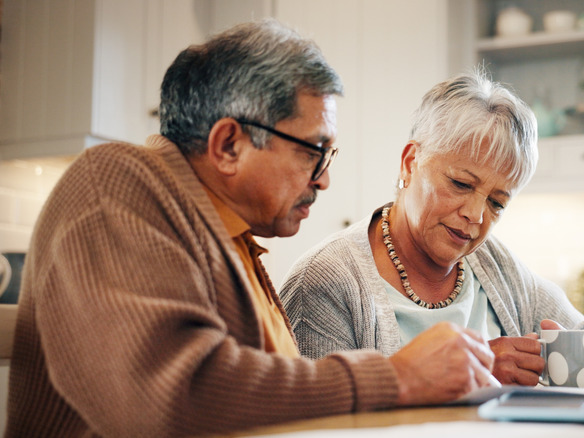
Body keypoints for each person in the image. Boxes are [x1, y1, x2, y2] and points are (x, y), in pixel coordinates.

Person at [4, 19, 498, 437]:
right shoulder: (113, 185)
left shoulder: (236, 240)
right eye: (313, 151)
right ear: (228, 146)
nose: (324, 179)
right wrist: (396, 378)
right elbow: (176, 396)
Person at [279, 71, 584, 388]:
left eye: (496, 202)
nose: (476, 215)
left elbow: (578, 333)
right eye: (461, 184)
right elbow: (321, 422)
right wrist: (474, 375)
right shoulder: (324, 284)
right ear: (410, 162)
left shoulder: (496, 266)